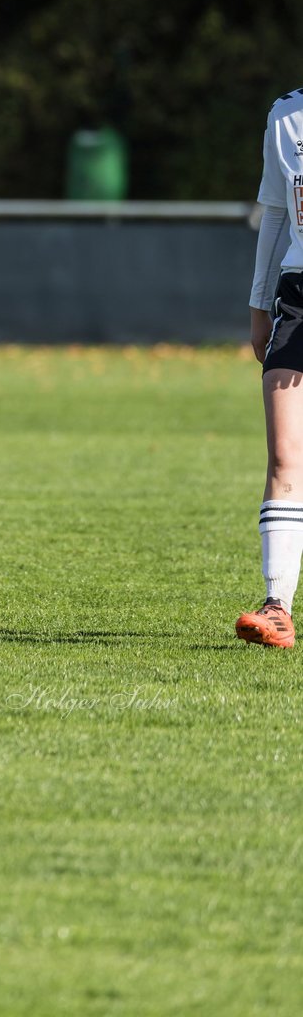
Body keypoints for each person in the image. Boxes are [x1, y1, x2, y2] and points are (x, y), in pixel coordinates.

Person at [235, 84, 303, 649]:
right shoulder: (285, 115)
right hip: (298, 302)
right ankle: (277, 605)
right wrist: (260, 304)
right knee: (284, 455)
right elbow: (277, 215)